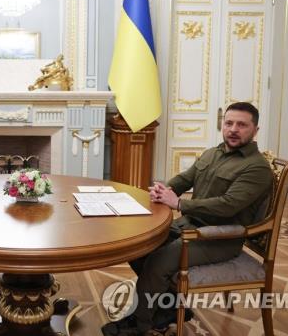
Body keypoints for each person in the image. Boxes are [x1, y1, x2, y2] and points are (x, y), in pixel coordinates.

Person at [102, 102, 273, 336]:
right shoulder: (213, 152)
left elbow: (227, 205)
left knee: (158, 262)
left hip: (219, 238)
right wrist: (165, 190)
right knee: (139, 246)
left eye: (242, 125)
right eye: (229, 123)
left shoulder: (256, 168)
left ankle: (139, 324)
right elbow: (185, 178)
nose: (233, 129)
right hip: (189, 225)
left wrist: (179, 203)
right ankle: (168, 309)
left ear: (255, 130)